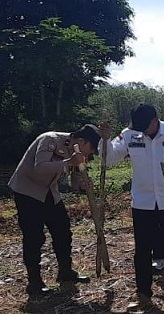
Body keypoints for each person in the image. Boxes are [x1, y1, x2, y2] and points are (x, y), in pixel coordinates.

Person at [99, 104, 164, 311]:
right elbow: (109, 159)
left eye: (146, 127)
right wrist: (105, 140)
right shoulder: (129, 135)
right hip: (142, 203)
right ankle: (143, 293)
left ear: (156, 120)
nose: (142, 132)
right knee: (142, 249)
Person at [9, 125, 98, 295]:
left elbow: (73, 180)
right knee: (34, 236)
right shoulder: (49, 139)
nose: (89, 155)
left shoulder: (77, 154)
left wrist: (81, 185)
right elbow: (39, 167)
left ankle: (65, 272)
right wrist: (69, 162)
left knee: (63, 231)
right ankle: (34, 282)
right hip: (27, 191)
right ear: (81, 141)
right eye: (90, 149)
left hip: (49, 192)